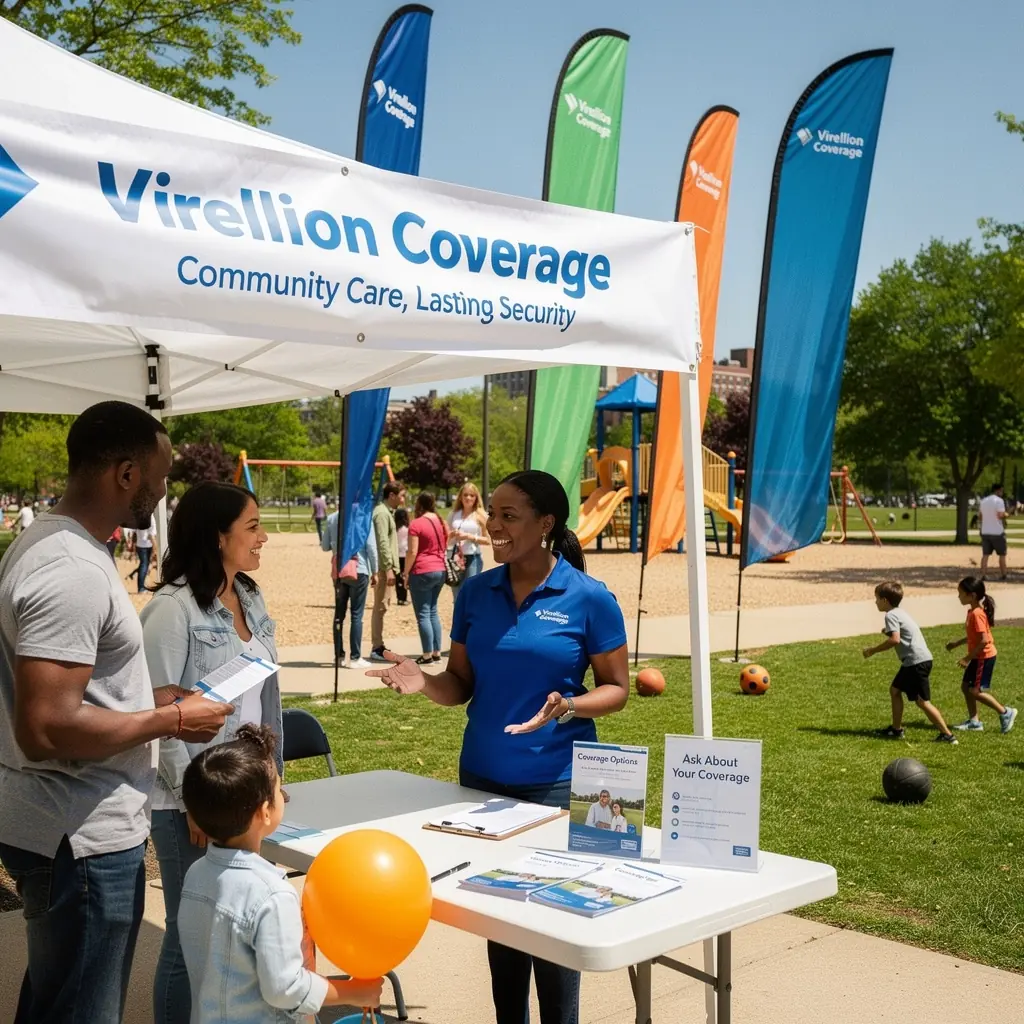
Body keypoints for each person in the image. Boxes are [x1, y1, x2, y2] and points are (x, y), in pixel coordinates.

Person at [0, 401, 233, 1024]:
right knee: (82, 1008)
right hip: (80, 835)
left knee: (56, 998)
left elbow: (66, 694)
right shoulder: (71, 568)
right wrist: (172, 721)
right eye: (158, 477)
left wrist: (146, 699)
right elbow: (46, 726)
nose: (162, 492)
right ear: (125, 474)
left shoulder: (58, 546)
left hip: (67, 825)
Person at [369, 469, 630, 1024]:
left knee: (556, 927)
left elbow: (618, 690)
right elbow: (460, 684)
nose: (494, 524)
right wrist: (425, 682)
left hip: (559, 783)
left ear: (546, 525)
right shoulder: (476, 592)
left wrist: (569, 705)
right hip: (483, 781)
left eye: (509, 515)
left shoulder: (590, 599)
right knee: (502, 924)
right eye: (492, 512)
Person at [140, 481, 281, 1024]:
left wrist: (268, 782)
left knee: (226, 931)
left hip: (244, 794)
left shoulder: (249, 595)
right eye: (252, 527)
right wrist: (197, 802)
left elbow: (263, 702)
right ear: (217, 537)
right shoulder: (171, 610)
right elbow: (159, 718)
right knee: (188, 935)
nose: (263, 537)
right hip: (190, 807)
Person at [177, 724, 383, 1022]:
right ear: (264, 812)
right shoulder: (272, 894)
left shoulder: (196, 874)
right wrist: (353, 992)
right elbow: (284, 989)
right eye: (278, 786)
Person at [862, 581, 957, 744]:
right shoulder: (899, 612)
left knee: (922, 701)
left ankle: (947, 735)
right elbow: (903, 633)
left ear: (885, 600)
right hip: (916, 660)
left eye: (876, 598)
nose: (875, 602)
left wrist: (872, 650)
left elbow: (895, 640)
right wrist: (889, 632)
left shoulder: (890, 615)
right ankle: (896, 729)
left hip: (915, 662)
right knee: (895, 690)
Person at [947, 577, 1017, 733]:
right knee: (966, 687)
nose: (958, 597)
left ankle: (1005, 712)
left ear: (971, 595)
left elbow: (984, 641)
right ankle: (974, 722)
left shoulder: (977, 614)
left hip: (983, 657)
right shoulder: (972, 611)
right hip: (978, 656)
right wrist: (956, 644)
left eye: (961, 594)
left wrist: (967, 658)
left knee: (974, 691)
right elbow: (974, 637)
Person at [321, 509, 379, 669]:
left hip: (339, 570)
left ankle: (338, 655)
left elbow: (325, 546)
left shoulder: (333, 517)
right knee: (356, 615)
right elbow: (371, 548)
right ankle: (355, 657)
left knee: (339, 615)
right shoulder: (363, 517)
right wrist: (375, 571)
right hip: (359, 569)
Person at [405, 492, 449, 664]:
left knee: (423, 614)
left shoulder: (416, 524)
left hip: (422, 570)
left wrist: (405, 572)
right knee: (433, 611)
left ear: (419, 504)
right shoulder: (441, 521)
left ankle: (426, 654)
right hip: (440, 569)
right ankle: (437, 652)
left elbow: (412, 552)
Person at [370, 481, 406, 662]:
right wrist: (388, 568)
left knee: (382, 607)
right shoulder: (382, 514)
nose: (403, 499)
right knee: (380, 607)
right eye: (401, 495)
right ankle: (376, 647)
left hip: (386, 568)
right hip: (384, 569)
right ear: (391, 495)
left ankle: (379, 644)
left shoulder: (386, 513)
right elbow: (382, 542)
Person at [449, 482, 490, 600]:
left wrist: (469, 536)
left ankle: (470, 617)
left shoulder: (480, 515)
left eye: (472, 495)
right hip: (456, 557)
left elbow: (488, 540)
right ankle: (458, 617)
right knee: (457, 592)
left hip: (473, 558)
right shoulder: (454, 514)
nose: (468, 498)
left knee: (471, 592)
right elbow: (446, 535)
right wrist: (452, 535)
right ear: (460, 497)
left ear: (476, 498)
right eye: (465, 495)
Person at [979, 482, 1009, 580]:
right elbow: (1000, 515)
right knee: (1002, 554)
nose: (1002, 492)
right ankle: (1003, 574)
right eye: (1001, 491)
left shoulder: (983, 501)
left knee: (985, 555)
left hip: (985, 531)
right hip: (997, 531)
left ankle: (983, 574)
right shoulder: (999, 501)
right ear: (998, 490)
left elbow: (980, 516)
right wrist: (1006, 514)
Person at [127, 513, 158, 593]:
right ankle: (141, 588)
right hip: (147, 545)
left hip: (139, 545)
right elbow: (151, 535)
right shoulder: (150, 516)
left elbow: (132, 531)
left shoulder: (137, 516)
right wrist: (155, 549)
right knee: (144, 565)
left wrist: (130, 542)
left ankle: (142, 586)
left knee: (144, 565)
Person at [395, 506, 410, 605]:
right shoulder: (407, 529)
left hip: (397, 554)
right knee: (405, 575)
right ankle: (404, 597)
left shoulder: (395, 529)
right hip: (405, 554)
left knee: (398, 577)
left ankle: (399, 597)